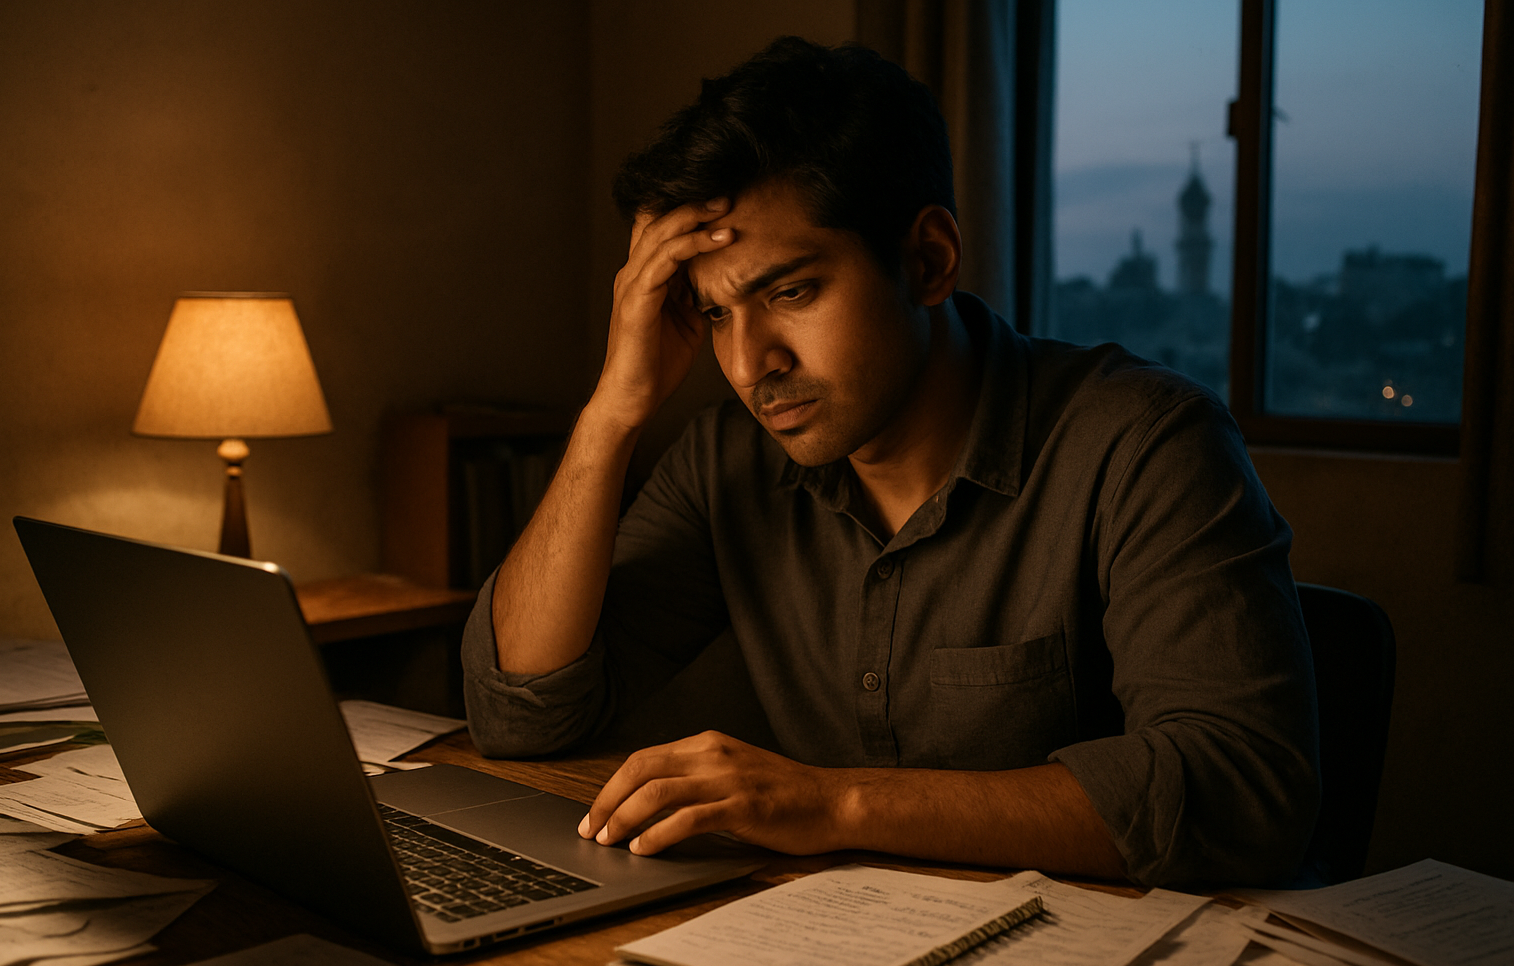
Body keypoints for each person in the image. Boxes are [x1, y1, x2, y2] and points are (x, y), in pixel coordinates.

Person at [463, 37, 1319, 887]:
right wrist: (614, 409)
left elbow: (1240, 790)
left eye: (789, 292)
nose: (750, 362)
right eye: (715, 313)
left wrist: (835, 805)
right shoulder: (726, 464)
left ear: (929, 260)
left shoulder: (1145, 442)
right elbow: (522, 713)